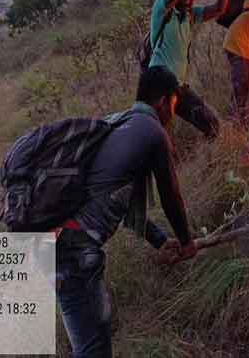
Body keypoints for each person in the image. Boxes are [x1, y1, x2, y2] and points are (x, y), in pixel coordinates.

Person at [55, 66, 197, 358]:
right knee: (94, 348)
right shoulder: (152, 131)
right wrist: (187, 242)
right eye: (174, 103)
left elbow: (127, 211)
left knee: (90, 340)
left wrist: (160, 241)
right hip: (75, 249)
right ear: (162, 101)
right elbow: (171, 196)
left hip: (59, 242)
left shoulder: (120, 123)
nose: (174, 111)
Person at [149, 0, 231, 139]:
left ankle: (210, 160)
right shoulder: (161, 9)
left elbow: (219, 10)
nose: (189, 3)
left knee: (212, 125)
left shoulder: (189, 16)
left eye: (193, 0)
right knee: (157, 140)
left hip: (178, 86)